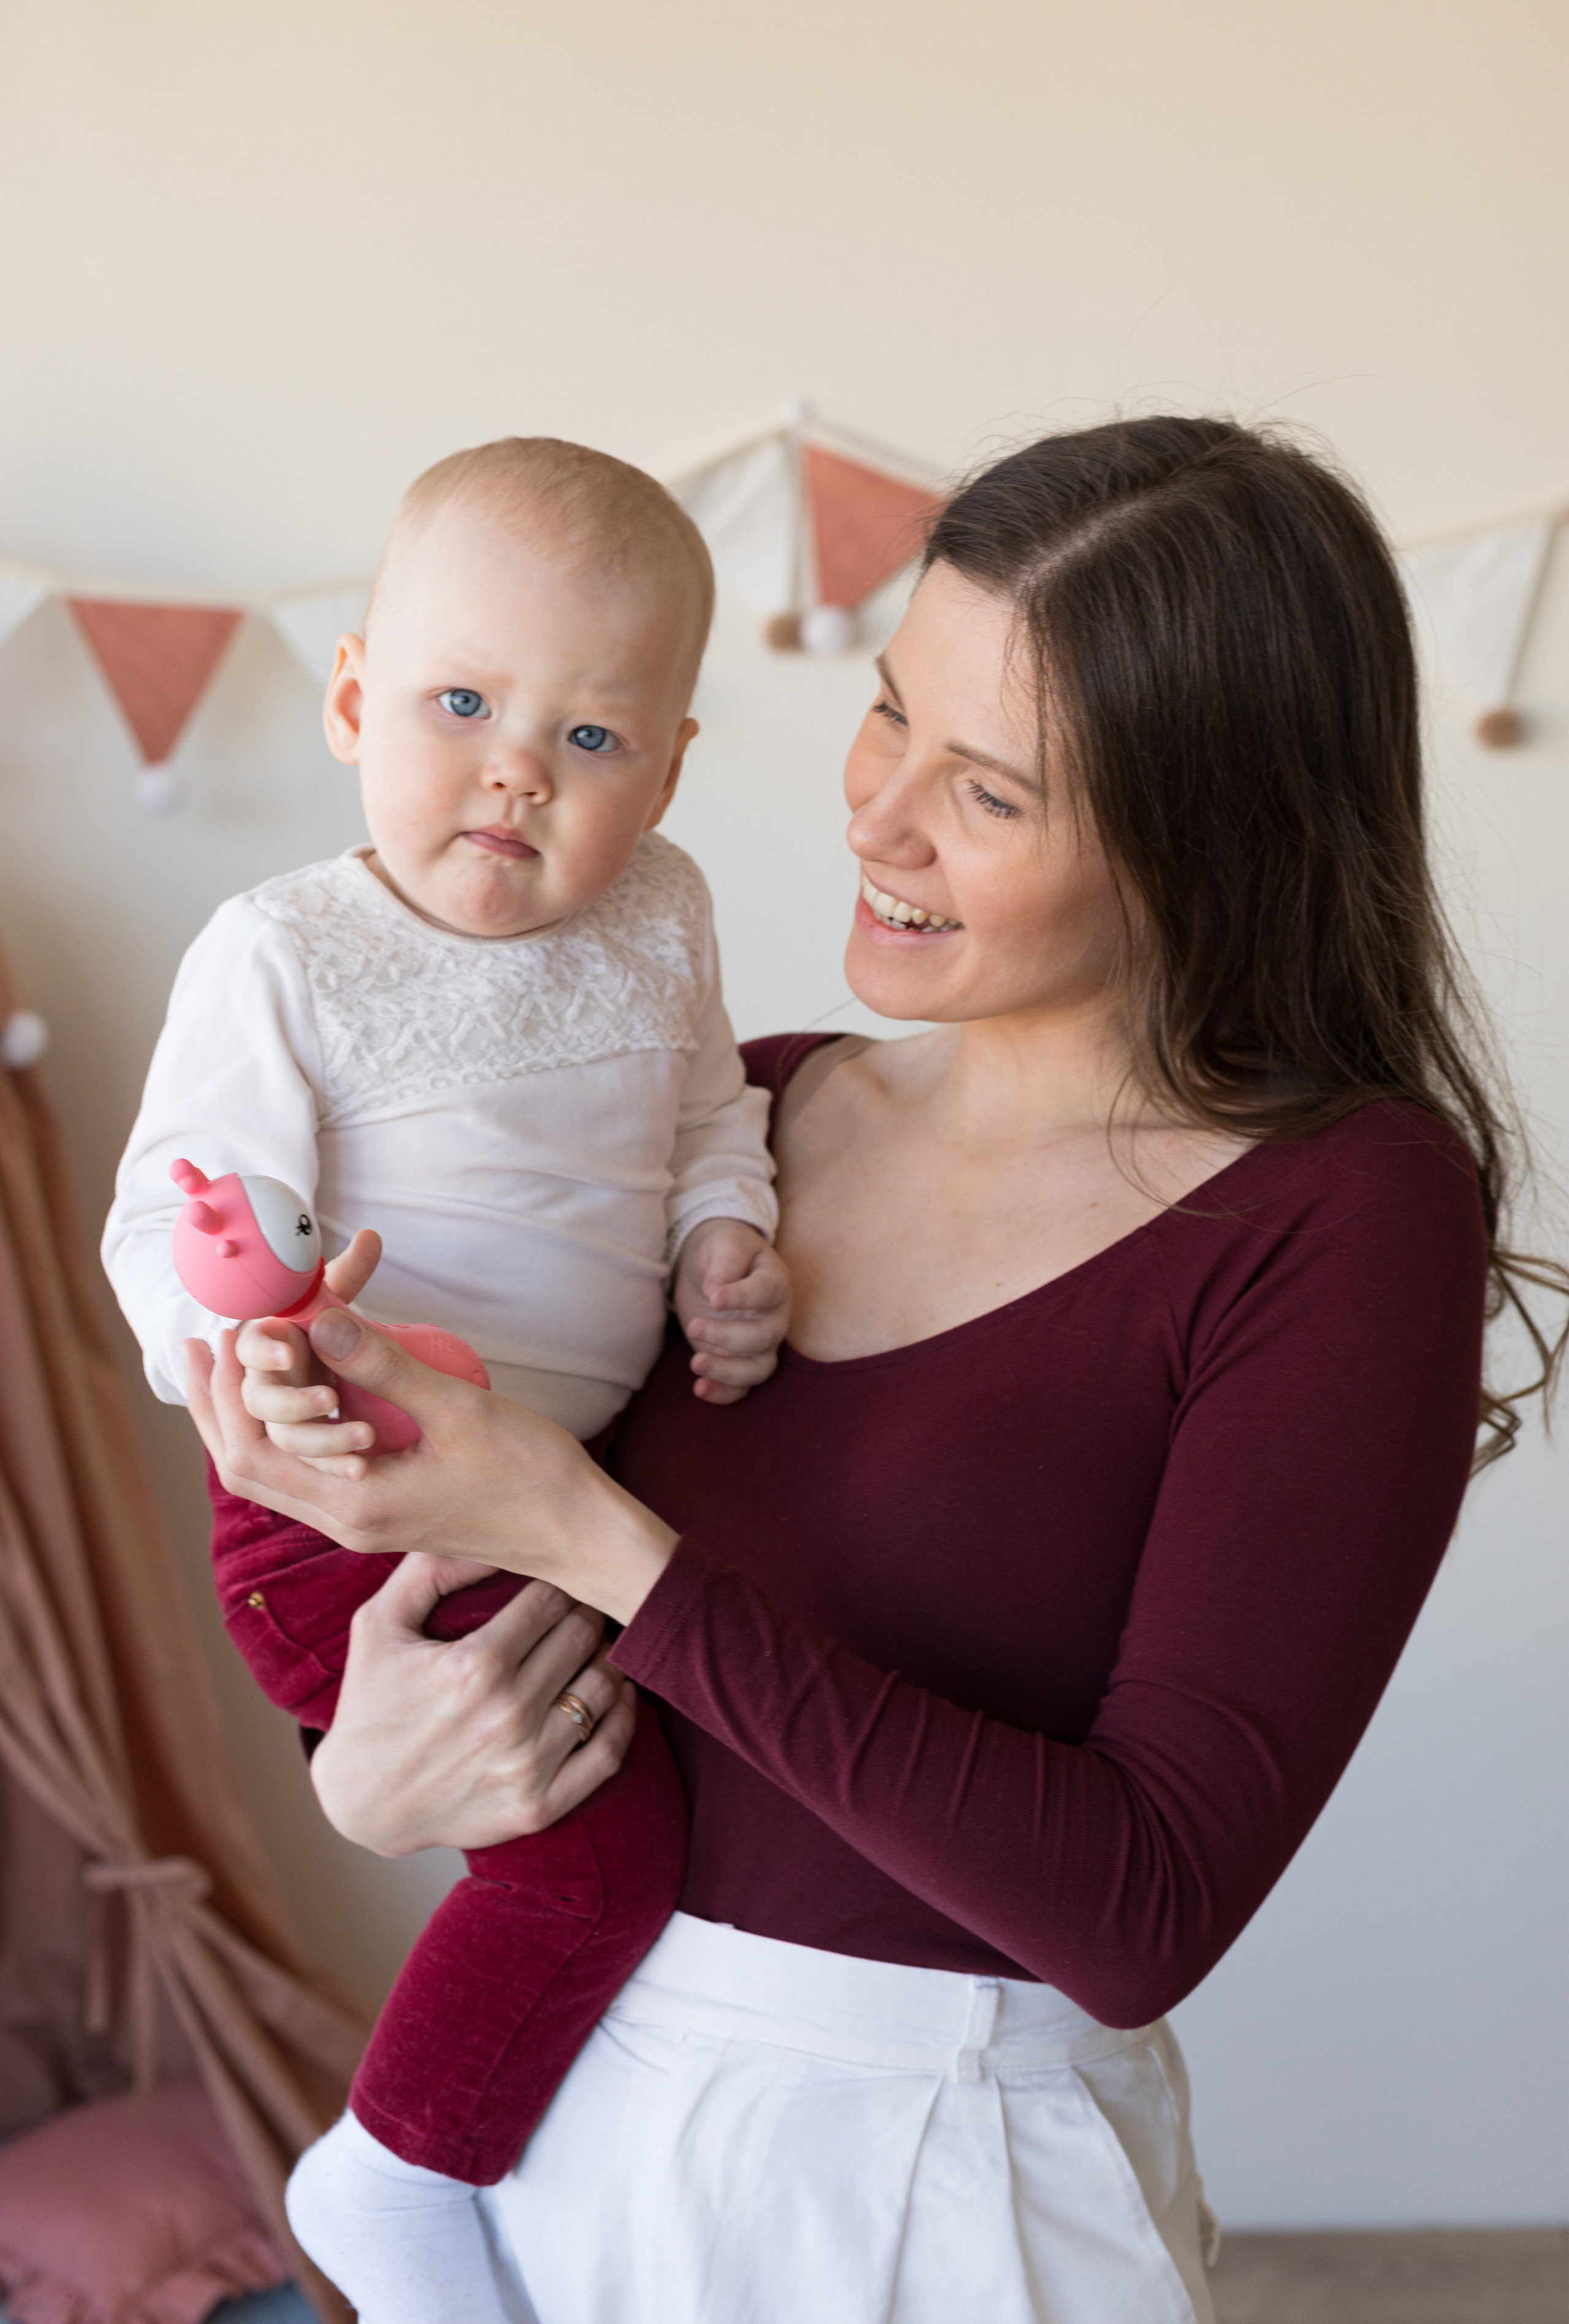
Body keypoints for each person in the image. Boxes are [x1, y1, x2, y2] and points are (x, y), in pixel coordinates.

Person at [188, 416, 1568, 2324]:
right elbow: (475, 1646)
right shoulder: (730, 1133)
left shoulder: (1338, 1212)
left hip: (936, 2194)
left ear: (1208, 842)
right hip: (563, 2136)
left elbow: (1141, 1913)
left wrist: (599, 1540)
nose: (880, 820)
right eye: (889, 714)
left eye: (986, 792)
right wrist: (369, 1769)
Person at [102, 437, 789, 2324]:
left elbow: (712, 1120)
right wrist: (241, 1360)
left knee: (695, 1829)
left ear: (668, 770)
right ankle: (395, 2181)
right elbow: (172, 1217)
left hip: (566, 1495)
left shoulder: (665, 913)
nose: (518, 771)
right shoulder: (283, 953)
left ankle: (563, 2190)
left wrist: (726, 1244)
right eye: (463, 704)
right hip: (353, 1502)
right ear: (352, 700)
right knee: (593, 1874)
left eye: (592, 736)